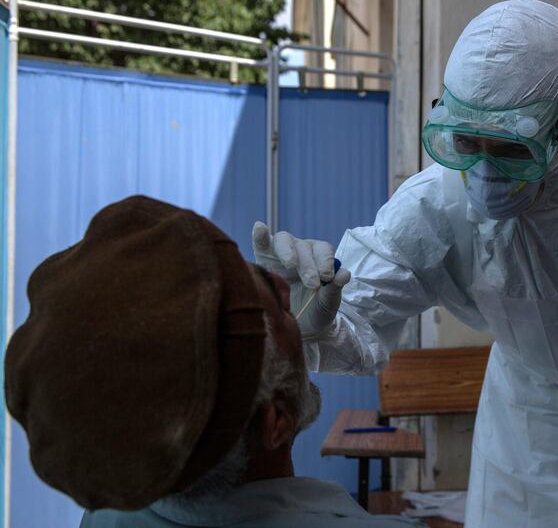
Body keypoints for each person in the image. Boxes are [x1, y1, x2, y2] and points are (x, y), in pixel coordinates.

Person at [252, 0, 558, 527]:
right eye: (466, 141)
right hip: (513, 419)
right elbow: (363, 316)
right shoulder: (434, 206)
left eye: (512, 149)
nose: (485, 172)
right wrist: (311, 324)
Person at [4, 196, 423, 528]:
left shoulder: (104, 519)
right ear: (276, 422)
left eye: (254, 276)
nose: (280, 282)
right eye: (273, 313)